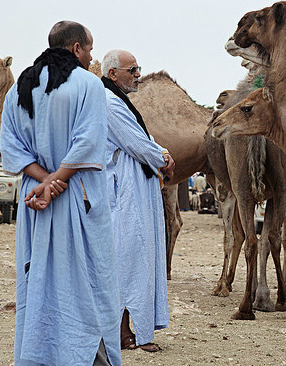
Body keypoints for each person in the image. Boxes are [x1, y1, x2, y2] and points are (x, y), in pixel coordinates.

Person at [0, 21, 121, 366]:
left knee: (39, 278)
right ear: (76, 49)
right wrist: (57, 182)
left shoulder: (20, 87)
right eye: (91, 49)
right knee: (90, 281)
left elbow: (11, 146)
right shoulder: (88, 84)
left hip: (35, 198)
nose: (91, 56)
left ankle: (41, 355)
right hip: (77, 197)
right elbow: (89, 140)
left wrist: (45, 181)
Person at [101, 49, 174, 352]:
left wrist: (159, 154)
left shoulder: (120, 102)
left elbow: (139, 141)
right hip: (125, 193)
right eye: (132, 70)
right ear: (113, 74)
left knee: (138, 258)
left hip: (135, 190)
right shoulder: (109, 104)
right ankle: (121, 332)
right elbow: (137, 144)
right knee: (128, 260)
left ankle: (133, 328)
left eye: (138, 69)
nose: (137, 75)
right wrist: (164, 157)